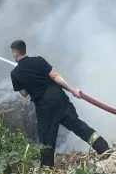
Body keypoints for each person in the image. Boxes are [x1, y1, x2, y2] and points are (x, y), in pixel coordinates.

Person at [9, 39, 109, 167]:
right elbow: (55, 76)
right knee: (76, 124)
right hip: (59, 98)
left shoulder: (15, 73)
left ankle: (47, 169)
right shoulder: (39, 60)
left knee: (46, 139)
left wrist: (28, 81)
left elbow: (24, 94)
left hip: (45, 106)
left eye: (12, 53)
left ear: (15, 54)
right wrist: (73, 90)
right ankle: (103, 147)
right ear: (24, 50)